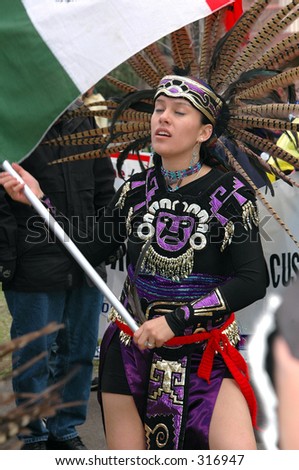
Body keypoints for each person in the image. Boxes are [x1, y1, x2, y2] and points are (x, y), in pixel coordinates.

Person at [0, 73, 268, 450]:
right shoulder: (136, 189)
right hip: (130, 355)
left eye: (178, 112)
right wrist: (37, 200)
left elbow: (253, 279)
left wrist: (177, 322)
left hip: (205, 355)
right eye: (158, 109)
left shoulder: (229, 195)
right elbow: (88, 250)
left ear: (204, 132)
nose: (163, 118)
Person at [0, 97, 116, 450]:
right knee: (35, 353)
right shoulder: (16, 124)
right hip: (32, 263)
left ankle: (65, 428)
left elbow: (104, 190)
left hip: (85, 261)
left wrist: (102, 243)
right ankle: (34, 432)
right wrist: (8, 262)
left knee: (79, 350)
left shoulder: (85, 124)